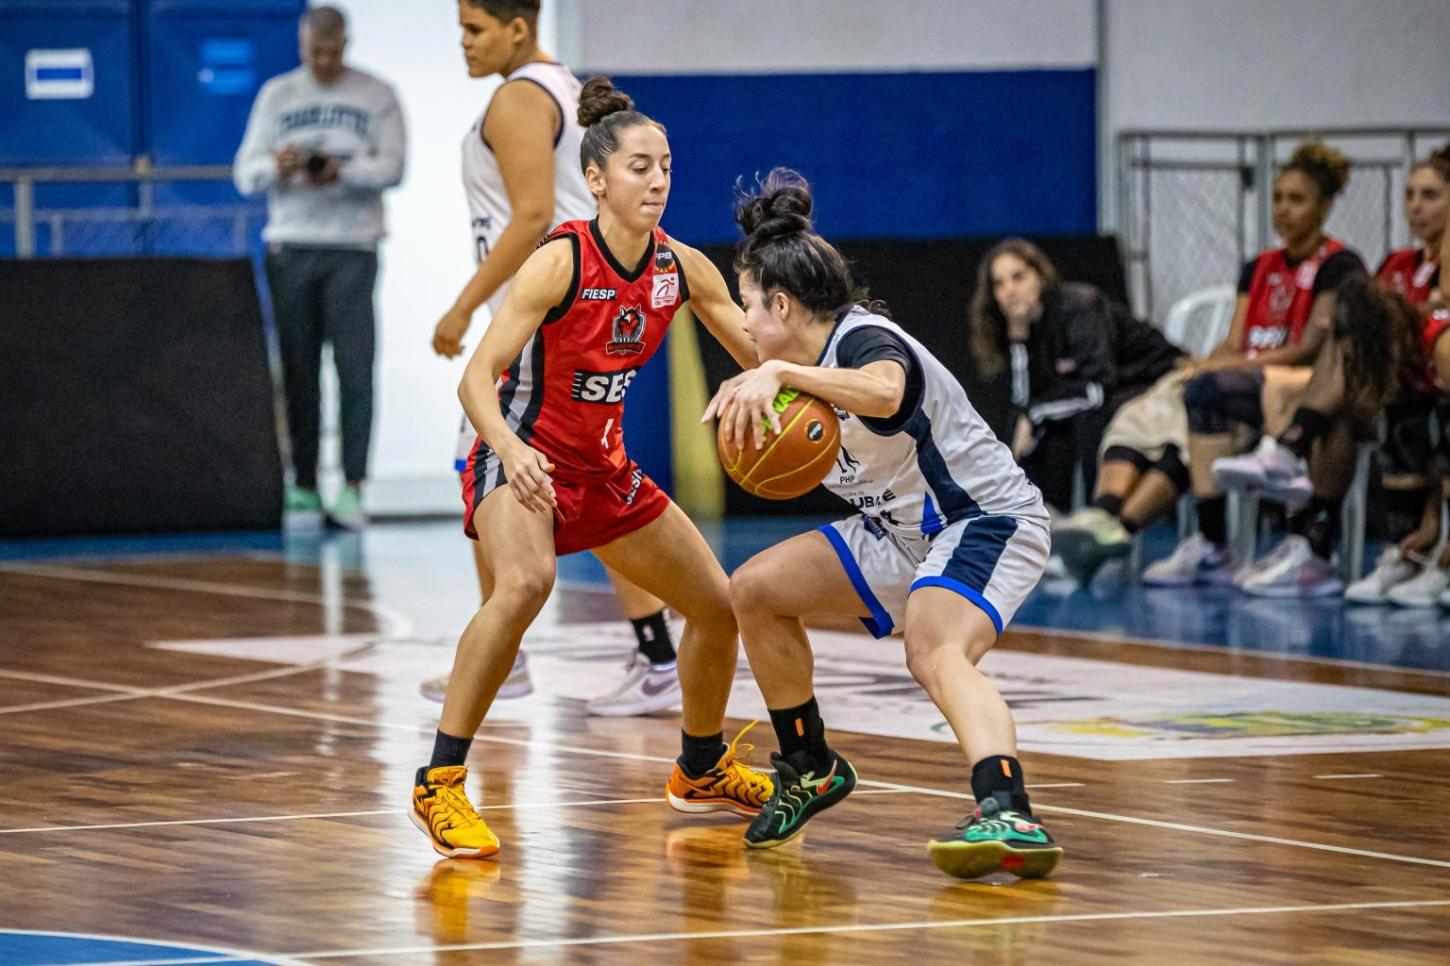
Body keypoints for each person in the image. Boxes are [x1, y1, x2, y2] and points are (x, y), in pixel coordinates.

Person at [410, 77, 773, 859]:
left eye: (667, 166)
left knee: (717, 606)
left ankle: (701, 766)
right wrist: (508, 451)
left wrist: (805, 382)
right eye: (641, 166)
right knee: (525, 584)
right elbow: (477, 377)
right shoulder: (559, 260)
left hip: (603, 469)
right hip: (521, 452)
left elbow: (760, 352)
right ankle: (438, 785)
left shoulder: (681, 267)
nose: (659, 181)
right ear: (599, 179)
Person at [710, 169, 1061, 880]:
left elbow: (886, 392)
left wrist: (784, 379)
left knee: (934, 648)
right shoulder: (783, 361)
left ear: (781, 304)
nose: (744, 323)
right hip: (898, 531)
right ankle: (809, 766)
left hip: (983, 519)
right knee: (753, 590)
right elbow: (718, 315)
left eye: (749, 305)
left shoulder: (865, 341)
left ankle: (1008, 809)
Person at [418, 0, 681, 714]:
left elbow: (532, 215)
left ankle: (510, 657)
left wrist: (467, 304)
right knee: (576, 482)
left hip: (547, 309)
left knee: (487, 466)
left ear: (518, 27)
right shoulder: (566, 87)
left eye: (474, 30)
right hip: (585, 303)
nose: (464, 45)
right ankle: (653, 651)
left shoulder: (519, 97)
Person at [1054, 142, 1363, 586]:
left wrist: (1231, 367)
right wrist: (1207, 363)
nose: (1283, 210)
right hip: (1243, 377)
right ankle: (1106, 518)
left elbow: (1309, 348)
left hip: (1292, 384)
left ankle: (1183, 537)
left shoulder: (1339, 264)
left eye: (1297, 199)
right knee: (1151, 407)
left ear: (1326, 205)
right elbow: (1234, 340)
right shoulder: (1258, 266)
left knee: (1201, 406)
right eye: (1277, 198)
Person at [1215, 144, 1448, 599]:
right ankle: (1317, 549)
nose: (1416, 205)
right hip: (1382, 396)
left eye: (1430, 195)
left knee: (1350, 342)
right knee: (1338, 403)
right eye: (1410, 194)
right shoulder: (1397, 264)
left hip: (1426, 396)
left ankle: (1290, 452)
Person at [234, 5, 406, 529]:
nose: (325, 61)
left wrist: (343, 172)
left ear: (347, 43)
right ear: (301, 44)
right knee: (298, 370)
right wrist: (278, 165)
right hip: (292, 245)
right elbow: (245, 173)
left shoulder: (376, 95)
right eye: (316, 52)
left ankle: (353, 487)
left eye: (334, 51)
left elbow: (394, 167)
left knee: (355, 370)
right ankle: (304, 486)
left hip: (353, 248)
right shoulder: (277, 96)